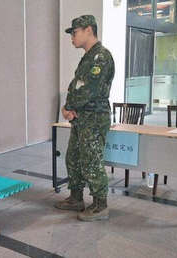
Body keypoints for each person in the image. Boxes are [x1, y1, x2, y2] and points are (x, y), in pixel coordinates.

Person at [54, 15, 115, 221]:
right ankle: (76, 197)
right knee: (74, 157)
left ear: (89, 30)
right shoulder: (88, 57)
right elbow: (76, 86)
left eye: (75, 32)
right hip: (81, 117)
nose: (72, 37)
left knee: (91, 160)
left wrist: (68, 107)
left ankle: (100, 204)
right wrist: (69, 109)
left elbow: (89, 89)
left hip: (94, 118)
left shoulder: (101, 57)